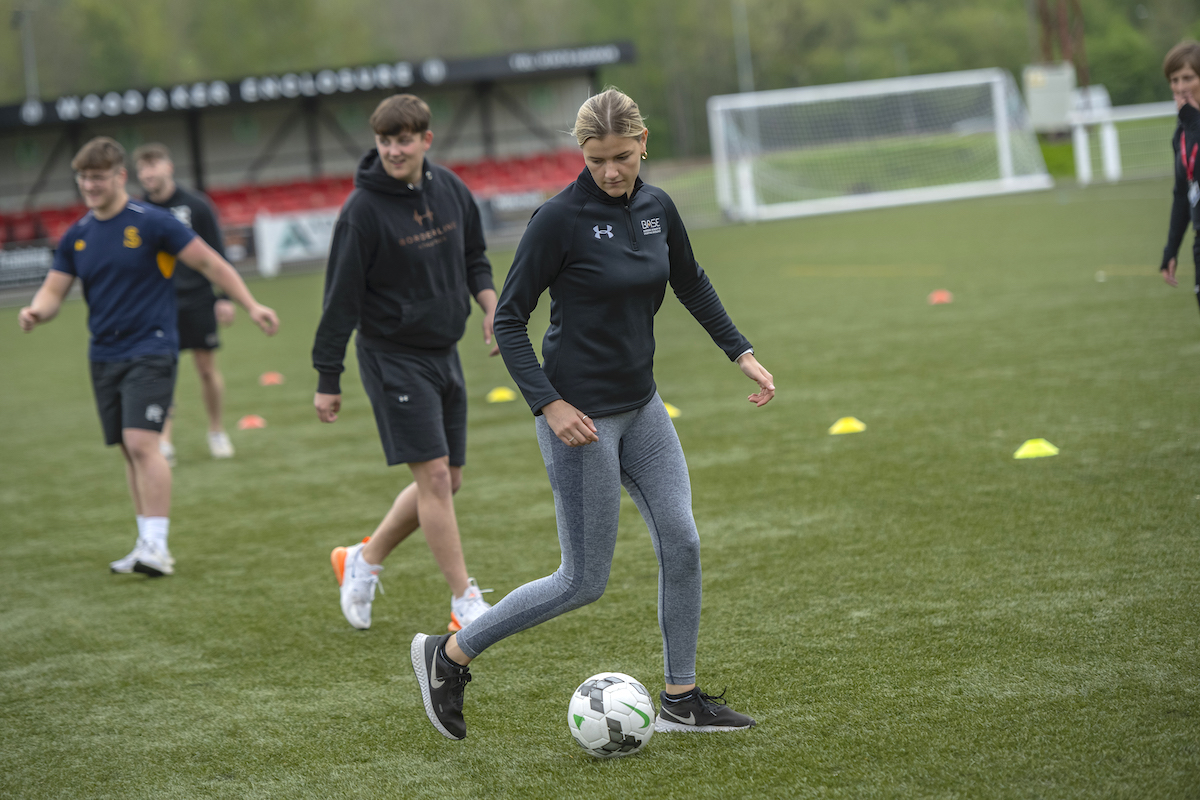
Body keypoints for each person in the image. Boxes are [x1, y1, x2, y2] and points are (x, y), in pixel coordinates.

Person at [410, 88, 775, 741]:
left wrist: (739, 350)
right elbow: (510, 318)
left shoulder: (659, 208)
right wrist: (549, 404)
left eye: (623, 157)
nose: (612, 171)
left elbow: (688, 278)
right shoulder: (559, 219)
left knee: (683, 542)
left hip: (642, 406)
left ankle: (681, 698)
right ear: (582, 152)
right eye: (598, 158)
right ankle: (449, 655)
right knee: (581, 580)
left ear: (642, 147)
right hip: (580, 418)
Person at [18, 136, 279, 576]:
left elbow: (212, 263)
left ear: (120, 176)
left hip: (152, 346)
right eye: (83, 178)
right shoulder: (77, 236)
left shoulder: (154, 222)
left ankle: (158, 547)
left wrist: (251, 304)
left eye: (98, 177)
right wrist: (35, 312)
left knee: (143, 442)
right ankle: (144, 542)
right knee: (128, 448)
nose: (90, 185)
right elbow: (53, 290)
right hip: (103, 352)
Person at [312, 94, 498, 633]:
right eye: (385, 141)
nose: (394, 151)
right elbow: (339, 300)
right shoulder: (361, 213)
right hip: (391, 356)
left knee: (449, 480)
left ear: (425, 141)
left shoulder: (452, 189)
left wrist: (489, 304)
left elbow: (474, 258)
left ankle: (360, 561)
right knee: (435, 476)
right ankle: (464, 600)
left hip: (444, 350)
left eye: (404, 140)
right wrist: (329, 378)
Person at [133, 143, 237, 464]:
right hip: (157, 304)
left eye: (155, 165)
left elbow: (216, 252)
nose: (150, 173)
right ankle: (164, 440)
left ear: (169, 167)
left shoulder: (196, 205)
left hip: (198, 299)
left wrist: (223, 297)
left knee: (207, 369)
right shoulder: (136, 212)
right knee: (164, 372)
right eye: (144, 168)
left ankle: (217, 431)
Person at [1160, 39, 1200, 314]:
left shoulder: (1191, 125)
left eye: (1188, 77)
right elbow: (1182, 192)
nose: (1180, 87)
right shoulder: (1183, 131)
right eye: (1174, 80)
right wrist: (1171, 249)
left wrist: (1193, 120)